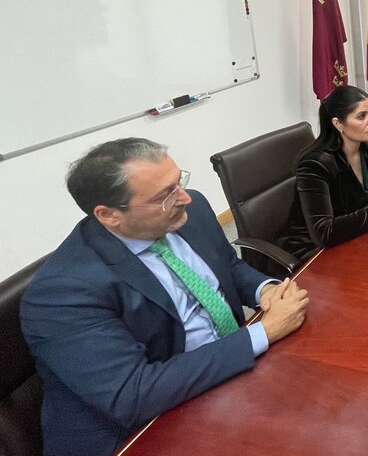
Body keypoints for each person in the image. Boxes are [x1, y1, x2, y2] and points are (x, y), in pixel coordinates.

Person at [20, 138, 310, 456]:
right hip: (140, 431)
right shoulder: (63, 292)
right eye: (165, 195)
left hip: (224, 376)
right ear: (108, 215)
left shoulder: (191, 209)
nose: (184, 197)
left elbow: (226, 265)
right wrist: (263, 332)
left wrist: (265, 290)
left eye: (178, 182)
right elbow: (133, 394)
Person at [280, 85, 368, 259]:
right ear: (338, 123)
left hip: (358, 234)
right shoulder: (315, 165)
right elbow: (324, 233)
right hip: (315, 253)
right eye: (362, 116)